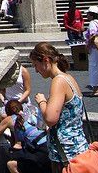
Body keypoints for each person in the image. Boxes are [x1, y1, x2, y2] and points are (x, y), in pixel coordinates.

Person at [29, 42, 89, 171]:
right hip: (78, 145)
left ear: (46, 60)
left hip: (65, 151)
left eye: (36, 65)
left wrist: (42, 102)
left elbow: (50, 119)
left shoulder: (58, 81)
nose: (35, 70)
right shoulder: (68, 77)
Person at [0, 100, 51, 173]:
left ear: (7, 111)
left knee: (11, 164)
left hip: (40, 149)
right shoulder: (29, 113)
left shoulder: (9, 119)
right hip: (48, 144)